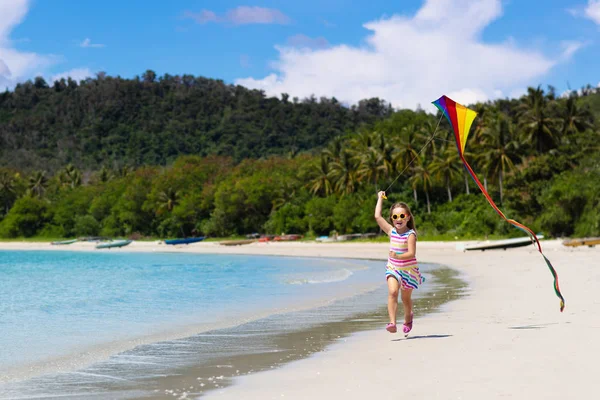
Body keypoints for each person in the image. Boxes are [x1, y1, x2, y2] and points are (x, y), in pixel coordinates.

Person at [374, 191, 425, 335]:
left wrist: (398, 255)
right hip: (393, 268)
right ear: (391, 218)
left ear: (408, 217)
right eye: (395, 216)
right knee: (393, 292)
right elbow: (377, 216)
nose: (398, 219)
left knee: (405, 298)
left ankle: (408, 318)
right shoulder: (391, 231)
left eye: (402, 216)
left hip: (408, 270)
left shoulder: (411, 234)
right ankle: (392, 322)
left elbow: (411, 253)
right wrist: (380, 198)